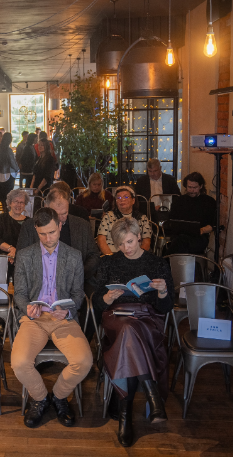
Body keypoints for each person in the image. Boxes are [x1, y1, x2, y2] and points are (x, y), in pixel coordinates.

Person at [92, 217, 174, 447]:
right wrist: (106, 298)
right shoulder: (109, 263)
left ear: (139, 236)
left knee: (129, 333)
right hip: (116, 317)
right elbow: (97, 302)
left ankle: (125, 415)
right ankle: (152, 394)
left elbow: (166, 307)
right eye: (120, 244)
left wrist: (162, 292)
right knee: (127, 329)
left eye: (129, 241)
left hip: (147, 319)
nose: (126, 248)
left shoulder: (158, 264)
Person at [11, 207, 93, 429]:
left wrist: (68, 310)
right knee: (19, 363)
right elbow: (19, 293)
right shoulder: (25, 255)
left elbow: (78, 293)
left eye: (52, 232)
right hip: (34, 320)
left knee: (84, 362)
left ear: (60, 226)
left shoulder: (73, 256)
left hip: (62, 318)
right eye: (42, 234)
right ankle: (40, 398)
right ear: (36, 230)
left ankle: (59, 396)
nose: (48, 239)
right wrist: (28, 307)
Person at [17, 189, 101, 293]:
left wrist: (79, 273)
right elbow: (21, 259)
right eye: (56, 214)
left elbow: (94, 255)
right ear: (46, 207)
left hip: (77, 283)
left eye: (64, 213)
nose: (60, 218)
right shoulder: (30, 226)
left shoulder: (82, 226)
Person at [165, 172, 217, 255]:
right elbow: (171, 220)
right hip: (179, 236)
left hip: (199, 238)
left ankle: (166, 261)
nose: (192, 190)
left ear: (201, 186)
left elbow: (213, 224)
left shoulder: (209, 202)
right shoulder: (179, 201)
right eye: (189, 187)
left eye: (195, 188)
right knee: (180, 241)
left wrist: (202, 230)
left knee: (178, 244)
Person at [96, 185, 152, 254]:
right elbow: (101, 240)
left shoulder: (142, 218)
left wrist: (138, 257)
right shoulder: (108, 217)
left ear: (133, 200)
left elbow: (146, 242)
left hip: (135, 256)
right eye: (118, 197)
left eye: (126, 197)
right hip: (112, 254)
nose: (122, 200)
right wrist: (111, 257)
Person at [0, 189, 29, 281]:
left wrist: (16, 254)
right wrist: (11, 249)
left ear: (25, 205)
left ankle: (20, 290)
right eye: (16, 201)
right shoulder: (1, 218)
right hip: (2, 254)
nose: (18, 205)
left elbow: (30, 243)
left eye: (21, 202)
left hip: (21, 256)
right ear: (10, 203)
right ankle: (0, 290)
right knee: (0, 271)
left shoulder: (29, 222)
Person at [0, 132, 19, 214]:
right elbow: (12, 162)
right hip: (9, 174)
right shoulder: (8, 150)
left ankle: (4, 211)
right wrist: (17, 169)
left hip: (2, 174)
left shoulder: (0, 150)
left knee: (4, 195)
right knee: (9, 195)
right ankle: (9, 213)